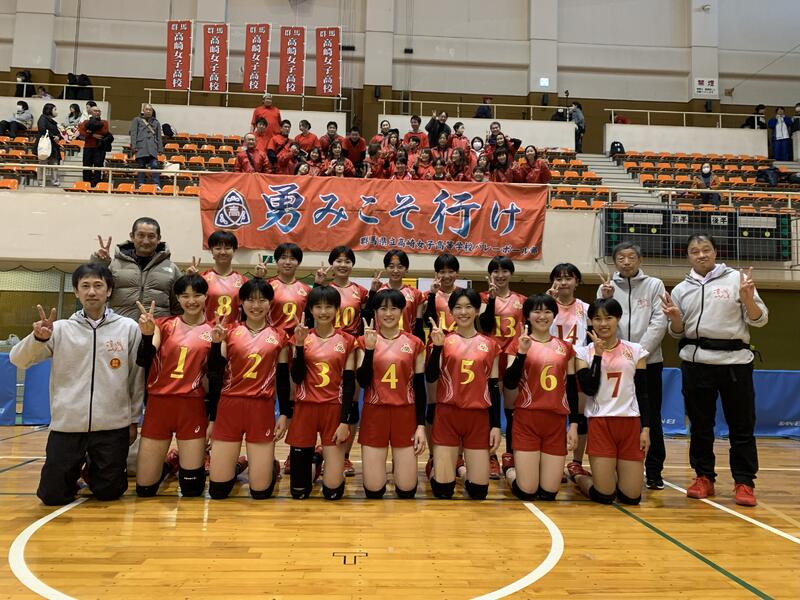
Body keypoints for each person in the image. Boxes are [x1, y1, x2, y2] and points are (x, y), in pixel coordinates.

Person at [9, 263, 144, 506]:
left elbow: (136, 378)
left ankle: (91, 468)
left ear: (109, 291)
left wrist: (133, 420)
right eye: (85, 286)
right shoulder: (59, 329)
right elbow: (18, 359)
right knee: (52, 496)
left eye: (98, 285)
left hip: (112, 426)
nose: (92, 291)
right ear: (76, 292)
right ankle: (75, 470)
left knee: (109, 492)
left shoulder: (128, 328)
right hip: (68, 426)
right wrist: (38, 338)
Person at [662, 233, 768, 507]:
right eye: (695, 251)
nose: (701, 255)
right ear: (688, 256)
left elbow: (760, 320)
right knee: (700, 426)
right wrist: (675, 320)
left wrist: (748, 299)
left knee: (742, 427)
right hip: (696, 364)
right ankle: (703, 477)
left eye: (706, 249)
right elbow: (677, 333)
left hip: (735, 364)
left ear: (715, 252)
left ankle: (744, 481)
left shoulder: (737, 280)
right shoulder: (681, 289)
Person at [206, 279, 291, 500]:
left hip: (261, 407)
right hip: (229, 405)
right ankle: (240, 464)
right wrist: (215, 344)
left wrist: (284, 413)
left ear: (270, 304)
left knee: (260, 493)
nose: (256, 305)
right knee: (217, 492)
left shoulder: (280, 336)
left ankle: (269, 465)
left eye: (262, 300)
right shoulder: (228, 331)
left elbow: (283, 378)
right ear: (241, 303)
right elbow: (214, 372)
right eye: (250, 300)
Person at [134, 275, 213, 498]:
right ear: (177, 298)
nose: (191, 301)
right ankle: (170, 464)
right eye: (185, 296)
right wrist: (146, 336)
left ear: (206, 297)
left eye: (197, 295)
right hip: (159, 405)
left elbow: (216, 376)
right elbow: (143, 360)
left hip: (192, 407)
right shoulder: (163, 325)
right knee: (145, 489)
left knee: (191, 489)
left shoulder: (214, 330)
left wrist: (213, 418)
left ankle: (229, 465)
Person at [598, 242, 667, 490]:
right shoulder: (606, 287)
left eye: (631, 257)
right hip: (614, 364)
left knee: (651, 416)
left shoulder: (655, 285)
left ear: (640, 260)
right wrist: (604, 298)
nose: (626, 262)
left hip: (648, 362)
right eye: (621, 258)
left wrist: (637, 354)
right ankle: (616, 469)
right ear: (615, 261)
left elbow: (659, 321)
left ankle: (655, 471)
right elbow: (601, 321)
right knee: (616, 415)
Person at [572, 298, 651, 506]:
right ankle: (578, 476)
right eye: (597, 319)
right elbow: (589, 388)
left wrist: (646, 429)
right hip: (600, 423)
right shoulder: (583, 353)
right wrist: (598, 356)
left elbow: (644, 393)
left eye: (608, 318)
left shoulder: (635, 350)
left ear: (618, 319)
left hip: (630, 424)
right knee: (604, 496)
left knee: (631, 498)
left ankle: (613, 476)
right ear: (591, 322)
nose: (603, 323)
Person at [425, 288, 502, 500]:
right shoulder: (442, 341)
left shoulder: (491, 345)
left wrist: (496, 425)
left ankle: (460, 470)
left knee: (478, 493)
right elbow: (430, 377)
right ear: (451, 312)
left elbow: (493, 387)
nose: (463, 312)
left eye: (469, 307)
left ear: (477, 310)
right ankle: (436, 469)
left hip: (478, 417)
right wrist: (437, 348)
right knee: (443, 491)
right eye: (458, 307)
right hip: (447, 414)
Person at [502, 294, 579, 501]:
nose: (542, 316)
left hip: (556, 422)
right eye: (537, 311)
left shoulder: (565, 347)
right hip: (527, 419)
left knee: (548, 493)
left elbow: (571, 387)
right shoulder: (518, 344)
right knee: (527, 491)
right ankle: (510, 471)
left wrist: (574, 424)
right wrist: (522, 353)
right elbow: (509, 382)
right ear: (527, 316)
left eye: (547, 311)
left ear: (554, 315)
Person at [355, 290, 427, 498]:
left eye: (394, 308)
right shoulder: (364, 341)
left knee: (407, 490)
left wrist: (421, 426)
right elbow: (362, 381)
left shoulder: (415, 343)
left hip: (405, 413)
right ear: (375, 312)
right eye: (383, 309)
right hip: (374, 413)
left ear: (402, 311)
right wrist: (370, 350)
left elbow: (420, 387)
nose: (388, 313)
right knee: (373, 491)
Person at [288, 286, 357, 500]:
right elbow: (297, 377)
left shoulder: (347, 341)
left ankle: (320, 458)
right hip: (305, 409)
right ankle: (316, 459)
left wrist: (345, 422)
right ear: (310, 309)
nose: (323, 311)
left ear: (337, 309)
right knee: (299, 492)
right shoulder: (300, 337)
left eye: (329, 307)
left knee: (333, 492)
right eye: (318, 306)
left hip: (333, 410)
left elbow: (349, 385)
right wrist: (300, 345)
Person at [315, 246, 370, 476]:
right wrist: (317, 285)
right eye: (338, 260)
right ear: (331, 264)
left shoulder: (361, 292)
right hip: (325, 347)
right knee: (320, 398)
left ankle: (344, 455)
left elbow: (367, 320)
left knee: (352, 401)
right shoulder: (324, 290)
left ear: (352, 265)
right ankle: (315, 450)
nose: (343, 265)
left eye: (347, 261)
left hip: (351, 347)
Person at [478, 256, 525, 477]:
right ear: (490, 275)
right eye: (495, 271)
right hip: (490, 356)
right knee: (490, 405)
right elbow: (485, 325)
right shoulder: (482, 297)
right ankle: (490, 456)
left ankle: (511, 454)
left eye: (504, 270)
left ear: (511, 273)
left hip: (513, 356)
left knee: (512, 408)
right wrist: (491, 299)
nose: (500, 275)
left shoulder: (522, 300)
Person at [547, 263, 591, 480]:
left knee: (579, 416)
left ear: (577, 282)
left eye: (568, 278)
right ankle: (552, 461)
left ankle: (576, 462)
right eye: (559, 278)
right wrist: (546, 300)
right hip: (551, 366)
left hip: (578, 364)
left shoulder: (586, 308)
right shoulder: (546, 306)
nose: (563, 282)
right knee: (552, 415)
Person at [91, 217, 181, 319]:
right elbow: (96, 294)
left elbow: (179, 307)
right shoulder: (115, 265)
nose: (146, 241)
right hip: (120, 327)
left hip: (157, 327)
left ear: (159, 239)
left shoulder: (171, 269)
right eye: (141, 235)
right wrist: (100, 263)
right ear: (132, 236)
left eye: (151, 236)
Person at [188, 230, 247, 323]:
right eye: (218, 248)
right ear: (211, 250)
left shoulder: (243, 281)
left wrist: (258, 278)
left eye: (227, 248)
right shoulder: (202, 278)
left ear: (234, 250)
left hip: (235, 329)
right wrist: (190, 280)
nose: (223, 252)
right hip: (207, 329)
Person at [375, 249, 426, 340]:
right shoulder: (377, 292)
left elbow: (418, 324)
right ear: (386, 268)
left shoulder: (416, 294)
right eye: (391, 266)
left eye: (400, 267)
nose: (395, 270)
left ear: (406, 269)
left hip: (406, 342)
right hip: (381, 341)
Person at [129, 103, 163, 188]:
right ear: (143, 111)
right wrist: (134, 146)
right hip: (141, 146)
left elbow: (158, 136)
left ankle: (156, 184)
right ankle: (141, 184)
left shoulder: (156, 122)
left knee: (154, 165)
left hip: (152, 147)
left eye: (150, 110)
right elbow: (133, 134)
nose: (148, 111)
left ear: (152, 111)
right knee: (141, 166)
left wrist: (160, 149)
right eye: (146, 109)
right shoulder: (137, 120)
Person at [78, 105, 110, 187]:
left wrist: (89, 131)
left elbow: (104, 131)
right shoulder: (85, 122)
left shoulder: (104, 122)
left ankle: (97, 184)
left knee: (98, 167)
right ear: (90, 112)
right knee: (86, 166)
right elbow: (82, 132)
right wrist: (92, 134)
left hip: (100, 148)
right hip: (88, 147)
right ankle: (86, 184)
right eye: (95, 111)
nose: (97, 112)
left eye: (99, 111)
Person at [36, 103, 64, 187]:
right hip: (45, 144)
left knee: (54, 164)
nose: (56, 111)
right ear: (49, 110)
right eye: (55, 109)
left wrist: (58, 136)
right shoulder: (42, 118)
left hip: (53, 146)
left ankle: (55, 181)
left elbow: (58, 133)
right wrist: (53, 136)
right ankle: (41, 181)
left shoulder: (53, 122)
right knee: (43, 163)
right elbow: (42, 130)